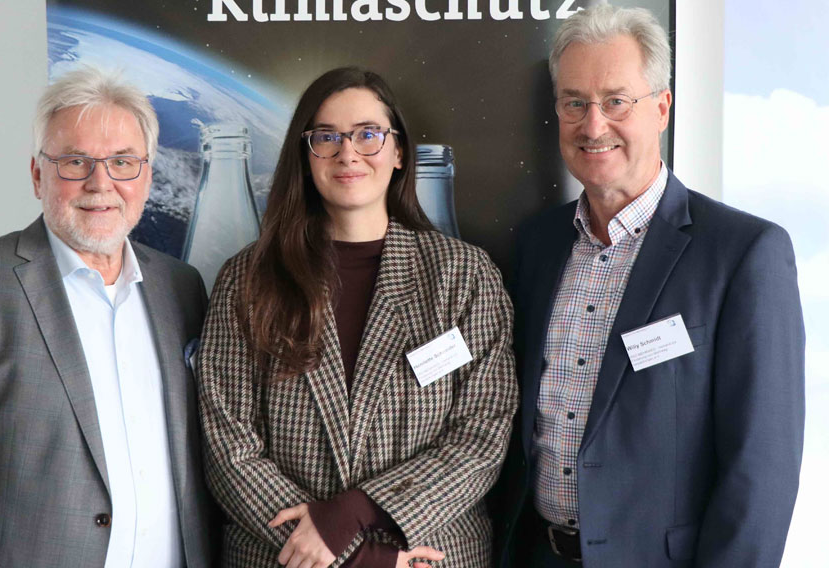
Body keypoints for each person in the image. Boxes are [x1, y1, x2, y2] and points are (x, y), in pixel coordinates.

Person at [491, 5, 805, 567]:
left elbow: (763, 470)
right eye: (575, 103)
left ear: (661, 107)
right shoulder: (537, 246)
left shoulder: (743, 253)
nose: (593, 125)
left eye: (616, 101)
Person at [0, 66, 216, 567]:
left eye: (123, 162)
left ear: (146, 175)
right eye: (75, 162)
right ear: (38, 175)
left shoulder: (181, 287)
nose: (101, 183)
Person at [197, 67, 518, 567]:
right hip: (287, 559)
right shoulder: (248, 278)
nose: (348, 153)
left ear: (399, 152)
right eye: (327, 137)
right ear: (305, 158)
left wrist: (354, 514)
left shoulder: (465, 275)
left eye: (368, 134)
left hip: (427, 557)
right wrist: (359, 557)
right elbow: (228, 444)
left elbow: (482, 432)